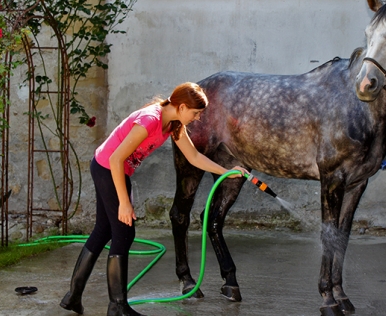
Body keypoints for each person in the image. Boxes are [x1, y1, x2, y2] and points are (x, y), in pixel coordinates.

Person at [60, 82, 248, 316]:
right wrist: (125, 202)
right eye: (195, 113)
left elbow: (194, 157)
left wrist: (228, 171)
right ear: (181, 106)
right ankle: (117, 307)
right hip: (108, 168)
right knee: (124, 233)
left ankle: (73, 297)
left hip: (110, 168)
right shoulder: (150, 119)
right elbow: (117, 159)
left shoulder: (174, 125)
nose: (197, 118)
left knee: (103, 231)